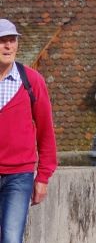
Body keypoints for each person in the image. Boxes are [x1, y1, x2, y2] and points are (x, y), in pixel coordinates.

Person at [0, 18, 56, 243]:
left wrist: (43, 176)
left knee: (12, 238)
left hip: (19, 175)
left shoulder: (32, 81)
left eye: (12, 40)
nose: (8, 46)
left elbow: (46, 132)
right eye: (2, 41)